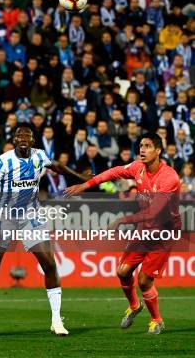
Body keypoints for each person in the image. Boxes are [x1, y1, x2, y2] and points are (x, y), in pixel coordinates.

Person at [0, 126, 89, 336]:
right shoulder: (3, 161)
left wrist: (79, 176)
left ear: (33, 141)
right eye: (19, 136)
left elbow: (58, 166)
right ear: (14, 140)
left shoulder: (39, 155)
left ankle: (56, 320)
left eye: (27, 136)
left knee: (50, 264)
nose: (23, 139)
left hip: (30, 217)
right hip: (5, 217)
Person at [65, 133, 180, 334]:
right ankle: (135, 306)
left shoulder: (169, 178)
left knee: (144, 280)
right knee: (122, 271)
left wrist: (121, 220)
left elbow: (154, 212)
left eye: (147, 146)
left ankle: (157, 320)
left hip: (163, 232)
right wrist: (86, 184)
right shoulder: (138, 168)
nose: (142, 150)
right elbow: (114, 172)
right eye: (140, 146)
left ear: (158, 151)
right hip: (145, 228)